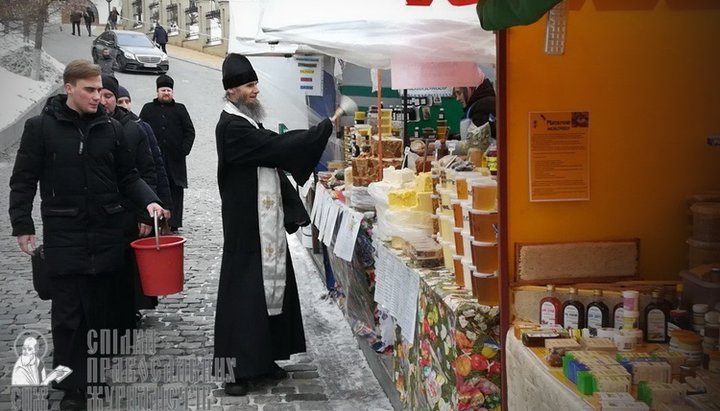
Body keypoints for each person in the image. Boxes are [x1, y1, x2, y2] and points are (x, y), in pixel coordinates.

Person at [8, 60, 167, 409]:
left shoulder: (111, 130)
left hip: (106, 233)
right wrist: (22, 224)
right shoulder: (41, 129)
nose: (98, 96)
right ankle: (71, 386)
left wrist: (150, 203)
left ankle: (94, 378)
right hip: (64, 232)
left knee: (100, 314)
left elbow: (129, 176)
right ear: (69, 88)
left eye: (100, 90)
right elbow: (23, 180)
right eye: (90, 90)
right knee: (68, 316)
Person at [213, 53, 340, 396]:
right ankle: (236, 373)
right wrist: (321, 130)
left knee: (269, 290)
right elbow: (275, 147)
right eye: (249, 85)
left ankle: (264, 360)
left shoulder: (247, 121)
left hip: (262, 221)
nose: (255, 90)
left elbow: (272, 148)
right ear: (232, 91)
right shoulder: (232, 126)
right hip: (246, 224)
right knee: (243, 294)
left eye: (255, 83)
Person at [140, 75, 195, 232]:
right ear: (157, 91)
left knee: (175, 189)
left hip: (175, 158)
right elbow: (140, 129)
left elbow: (189, 131)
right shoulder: (148, 109)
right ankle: (155, 220)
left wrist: (183, 150)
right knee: (154, 187)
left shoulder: (180, 109)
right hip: (154, 157)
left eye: (169, 90)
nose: (166, 93)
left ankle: (174, 221)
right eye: (163, 90)